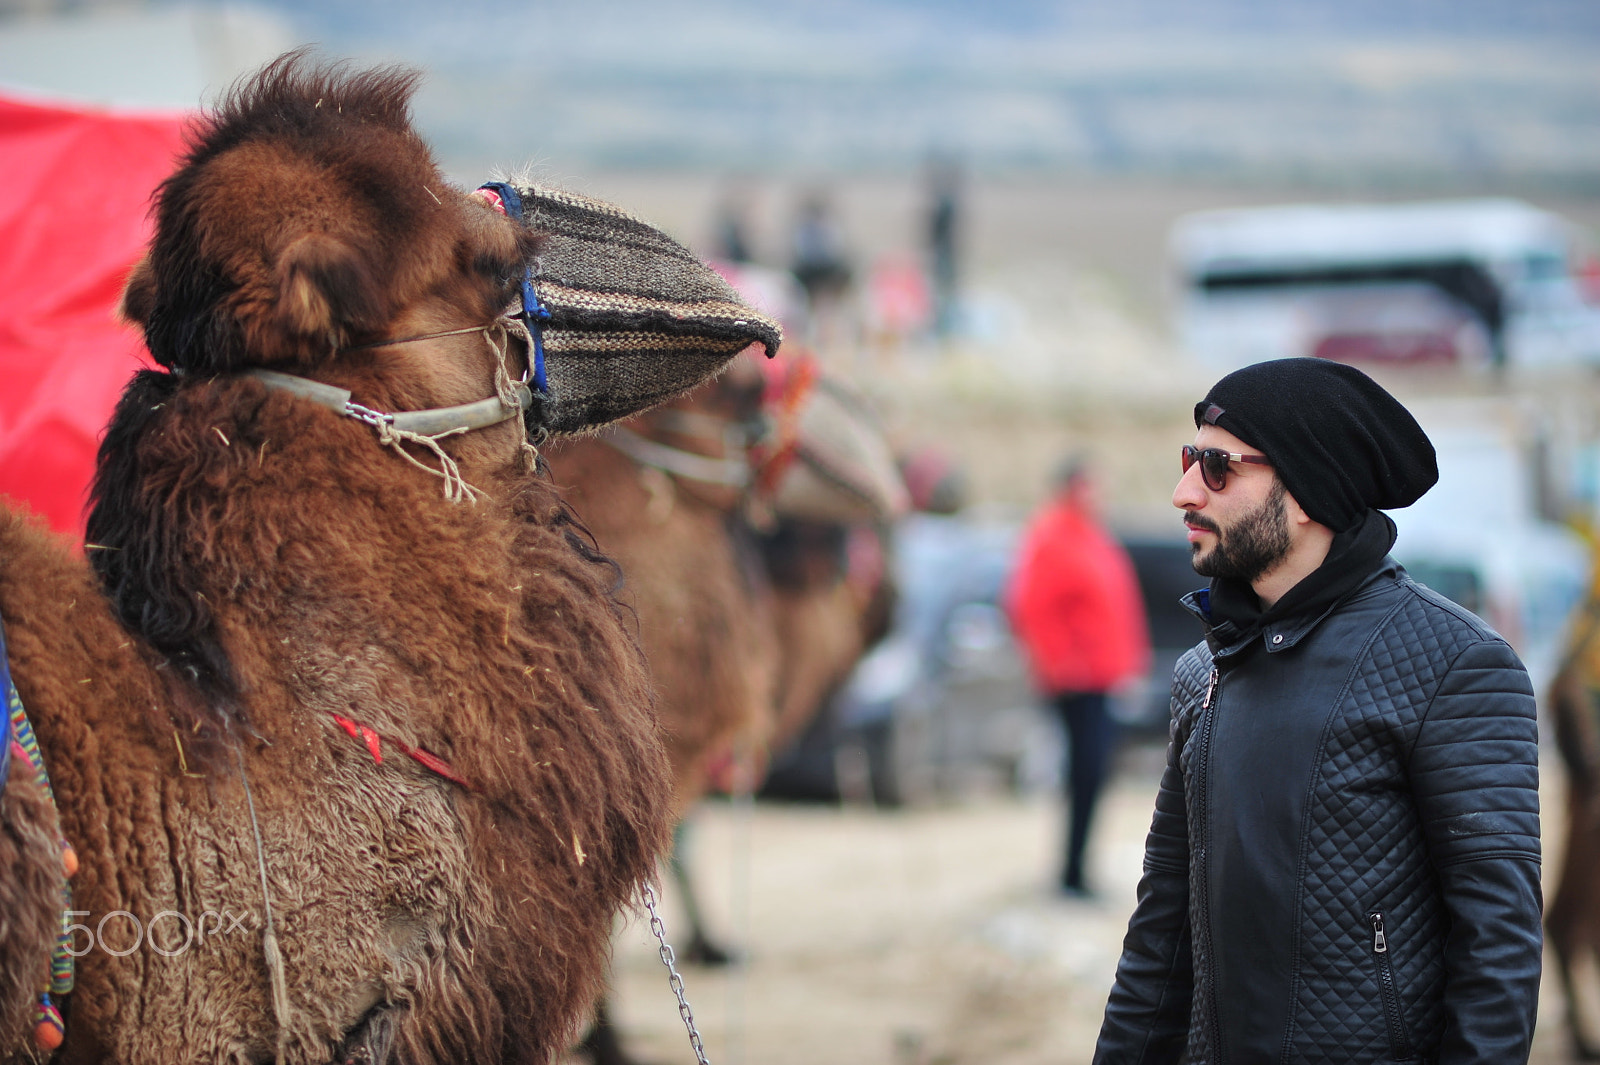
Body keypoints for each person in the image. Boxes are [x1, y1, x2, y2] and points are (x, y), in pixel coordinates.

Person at [1094, 358, 1541, 1064]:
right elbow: (1160, 943)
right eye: (1189, 460)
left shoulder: (1456, 665)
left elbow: (1499, 951)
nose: (1183, 492)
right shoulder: (1201, 673)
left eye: (1216, 466)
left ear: (1306, 491)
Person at [1006, 457, 1150, 897]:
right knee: (1085, 773)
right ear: (1072, 488)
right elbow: (1029, 606)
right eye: (1093, 487)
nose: (1101, 496)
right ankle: (1071, 875)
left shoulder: (1091, 535)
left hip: (1103, 676)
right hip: (1076, 680)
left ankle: (1077, 870)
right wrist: (1057, 664)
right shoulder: (1054, 536)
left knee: (1094, 774)